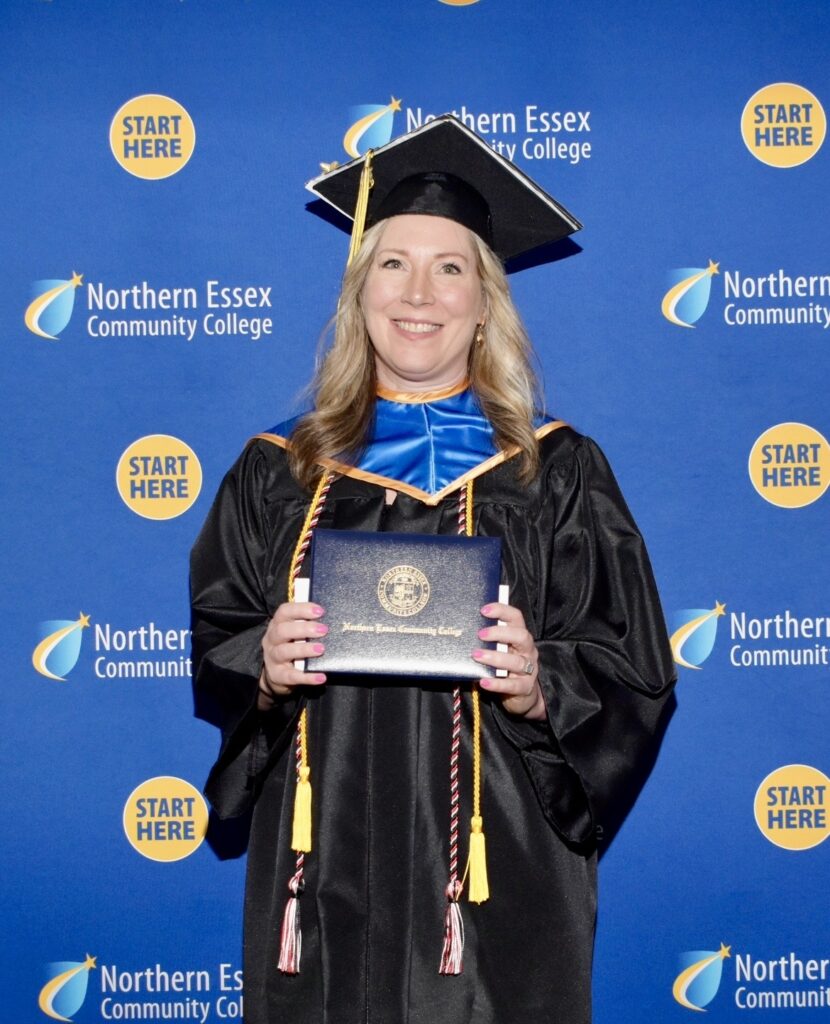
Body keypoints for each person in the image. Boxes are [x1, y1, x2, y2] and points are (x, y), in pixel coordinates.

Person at [191, 116, 676, 1024]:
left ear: (486, 299)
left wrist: (544, 687)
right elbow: (221, 637)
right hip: (321, 861)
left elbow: (633, 667)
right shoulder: (277, 471)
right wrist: (261, 666)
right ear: (358, 291)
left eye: (450, 267)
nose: (420, 293)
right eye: (392, 263)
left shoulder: (556, 471)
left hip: (501, 874)